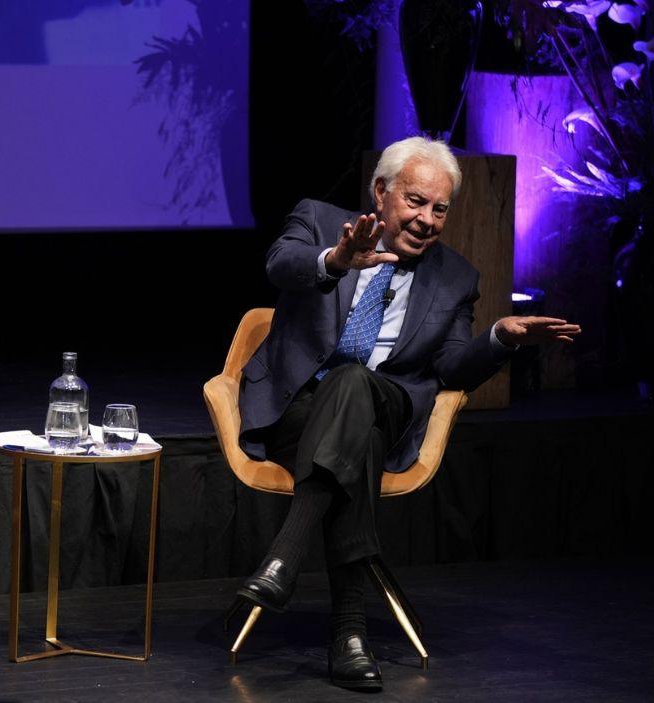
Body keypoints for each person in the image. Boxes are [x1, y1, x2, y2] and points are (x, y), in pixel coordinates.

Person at [236, 136, 579, 692]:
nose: (427, 220)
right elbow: (281, 264)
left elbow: (452, 368)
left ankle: (285, 555)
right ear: (381, 192)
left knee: (355, 383)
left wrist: (500, 337)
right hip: (295, 411)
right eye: (416, 201)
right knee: (360, 443)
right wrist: (337, 260)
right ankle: (349, 632)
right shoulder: (320, 220)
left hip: (387, 402)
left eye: (439, 209)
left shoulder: (456, 277)